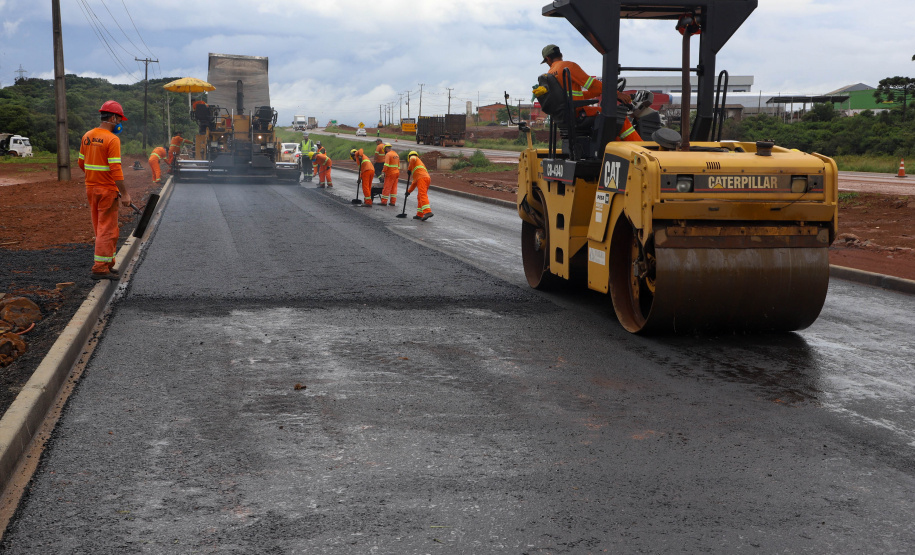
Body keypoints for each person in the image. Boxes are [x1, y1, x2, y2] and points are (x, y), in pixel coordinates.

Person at [540, 43, 641, 141]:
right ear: (561, 55)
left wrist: (597, 92)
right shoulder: (568, 66)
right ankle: (641, 147)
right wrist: (616, 93)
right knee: (618, 118)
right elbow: (591, 84)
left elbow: (570, 96)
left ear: (548, 59)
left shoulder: (550, 74)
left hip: (567, 115)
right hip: (578, 113)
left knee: (611, 129)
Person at [78, 100, 132, 280]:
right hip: (107, 190)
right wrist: (125, 193)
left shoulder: (87, 136)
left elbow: (81, 163)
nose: (120, 123)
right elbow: (115, 168)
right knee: (107, 228)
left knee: (100, 227)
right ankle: (100, 268)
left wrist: (95, 177)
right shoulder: (112, 139)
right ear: (113, 118)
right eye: (120, 119)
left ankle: (108, 263)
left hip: (91, 188)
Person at [406, 151, 432, 221]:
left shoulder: (413, 157)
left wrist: (409, 169)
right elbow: (414, 183)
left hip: (422, 178)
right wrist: (408, 192)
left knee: (422, 195)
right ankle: (419, 214)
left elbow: (412, 159)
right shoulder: (417, 167)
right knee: (420, 196)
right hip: (426, 178)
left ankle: (428, 212)